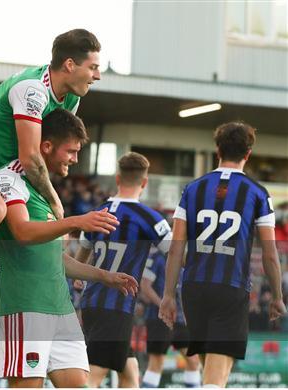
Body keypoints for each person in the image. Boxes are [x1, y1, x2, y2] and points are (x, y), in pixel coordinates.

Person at [0, 29, 119, 337]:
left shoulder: (70, 97)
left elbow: (47, 150)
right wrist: (58, 205)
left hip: (7, 177)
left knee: (39, 233)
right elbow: (31, 157)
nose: (97, 76)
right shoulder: (32, 90)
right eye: (93, 67)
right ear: (69, 65)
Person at [0, 108, 137, 388]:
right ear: (47, 146)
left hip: (61, 308)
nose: (75, 159)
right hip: (26, 308)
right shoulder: (9, 179)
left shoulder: (46, 193)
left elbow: (55, 259)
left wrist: (106, 277)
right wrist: (76, 221)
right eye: (71, 151)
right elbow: (21, 232)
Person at [159, 121, 286, 388]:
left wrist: (168, 295)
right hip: (230, 287)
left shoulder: (193, 188)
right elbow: (270, 254)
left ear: (217, 150)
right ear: (248, 153)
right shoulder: (258, 193)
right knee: (216, 377)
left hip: (193, 287)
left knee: (213, 370)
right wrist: (277, 296)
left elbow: (175, 247)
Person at [75, 152, 173, 388]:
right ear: (145, 182)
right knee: (94, 375)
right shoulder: (150, 218)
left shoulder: (97, 212)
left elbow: (81, 254)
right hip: (115, 306)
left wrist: (80, 278)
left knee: (130, 371)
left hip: (91, 302)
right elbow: (176, 253)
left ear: (117, 179)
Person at [140, 250, 201, 388]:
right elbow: (145, 285)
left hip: (179, 318)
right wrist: (163, 306)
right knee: (157, 362)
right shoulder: (156, 257)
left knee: (193, 360)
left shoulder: (184, 258)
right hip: (159, 318)